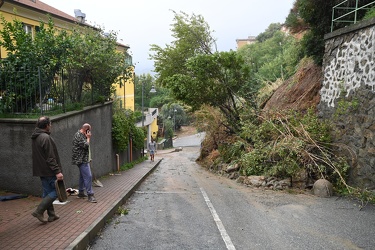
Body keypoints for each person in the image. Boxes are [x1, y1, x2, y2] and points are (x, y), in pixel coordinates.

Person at [31, 116, 63, 224]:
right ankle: (39, 211)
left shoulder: (36, 136)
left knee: (47, 192)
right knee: (56, 192)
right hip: (49, 170)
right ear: (46, 125)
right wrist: (57, 171)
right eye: (50, 124)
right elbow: (50, 157)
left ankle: (52, 215)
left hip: (41, 170)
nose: (51, 125)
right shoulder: (45, 137)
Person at [72, 123, 97, 203]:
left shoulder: (81, 135)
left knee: (83, 176)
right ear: (86, 130)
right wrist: (88, 138)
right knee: (88, 176)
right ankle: (90, 195)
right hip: (81, 160)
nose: (90, 133)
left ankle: (81, 192)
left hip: (83, 159)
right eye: (89, 131)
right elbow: (86, 145)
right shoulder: (78, 135)